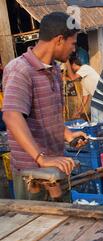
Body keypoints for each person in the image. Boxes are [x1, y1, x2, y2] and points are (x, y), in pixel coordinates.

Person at [2, 12, 88, 201]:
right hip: (33, 175)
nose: (74, 50)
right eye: (72, 43)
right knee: (39, 228)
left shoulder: (55, 69)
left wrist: (67, 134)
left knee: (67, 223)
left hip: (57, 166)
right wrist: (41, 157)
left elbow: (50, 113)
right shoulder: (20, 69)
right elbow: (11, 115)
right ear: (59, 40)